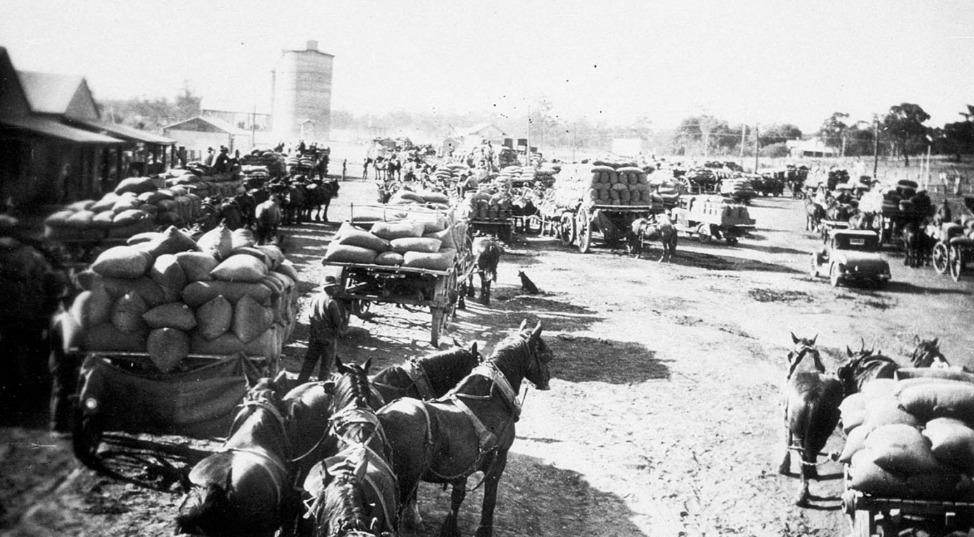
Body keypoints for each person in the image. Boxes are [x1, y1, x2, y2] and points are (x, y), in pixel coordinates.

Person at [297, 275, 348, 383]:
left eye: (335, 287)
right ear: (326, 288)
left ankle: (299, 384)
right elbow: (337, 321)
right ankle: (322, 387)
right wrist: (336, 333)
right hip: (327, 338)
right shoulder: (331, 302)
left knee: (309, 363)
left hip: (314, 335)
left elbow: (310, 316)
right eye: (332, 287)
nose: (335, 289)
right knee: (326, 365)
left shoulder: (314, 298)